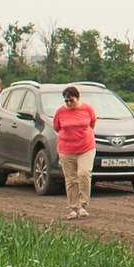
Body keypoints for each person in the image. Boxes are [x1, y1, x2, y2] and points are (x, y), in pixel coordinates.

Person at [53, 83, 99, 218]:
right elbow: (57, 127)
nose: (68, 103)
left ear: (77, 99)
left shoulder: (87, 109)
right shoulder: (60, 112)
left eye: (71, 100)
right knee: (71, 179)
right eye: (66, 101)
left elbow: (92, 124)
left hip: (86, 147)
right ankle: (74, 207)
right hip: (66, 149)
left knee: (84, 173)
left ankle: (83, 204)